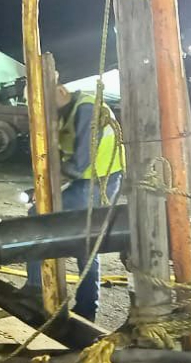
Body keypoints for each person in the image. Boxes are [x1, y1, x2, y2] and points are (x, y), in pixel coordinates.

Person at [25, 81, 125, 321]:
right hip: (90, 179)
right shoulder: (64, 113)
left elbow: (80, 163)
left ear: (61, 91)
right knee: (85, 240)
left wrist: (44, 190)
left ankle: (36, 291)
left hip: (100, 179)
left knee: (38, 217)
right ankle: (86, 307)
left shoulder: (86, 108)